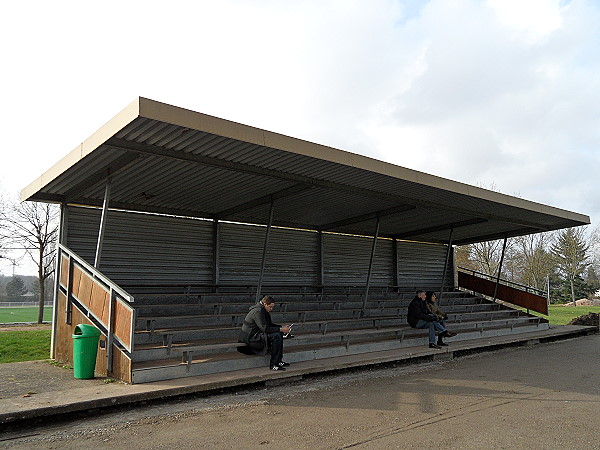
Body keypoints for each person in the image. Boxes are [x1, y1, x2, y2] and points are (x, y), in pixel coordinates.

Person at [238, 295, 292, 371]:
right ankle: (273, 364)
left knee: (279, 334)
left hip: (256, 336)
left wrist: (282, 327)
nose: (271, 309)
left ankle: (278, 361)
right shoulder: (258, 311)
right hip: (252, 338)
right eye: (270, 307)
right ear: (264, 304)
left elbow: (269, 325)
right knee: (276, 335)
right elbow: (265, 328)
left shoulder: (262, 310)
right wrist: (281, 329)